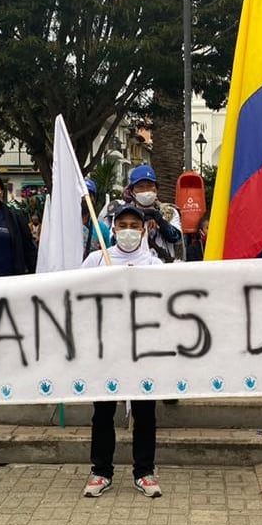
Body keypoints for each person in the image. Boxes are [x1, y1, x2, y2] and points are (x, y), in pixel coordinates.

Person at [81, 204, 166, 499]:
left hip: (143, 348)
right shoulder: (95, 260)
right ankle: (100, 471)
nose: (128, 230)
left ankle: (144, 472)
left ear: (143, 230)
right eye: (123, 224)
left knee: (145, 412)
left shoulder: (154, 264)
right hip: (106, 347)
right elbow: (78, 296)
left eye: (134, 224)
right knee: (103, 411)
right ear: (113, 228)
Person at [123, 165, 183, 262]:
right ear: (132, 191)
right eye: (140, 187)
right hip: (134, 266)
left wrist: (159, 219)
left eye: (150, 186)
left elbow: (175, 237)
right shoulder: (123, 213)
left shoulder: (169, 212)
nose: (146, 190)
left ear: (156, 188)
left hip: (163, 268)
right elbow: (115, 240)